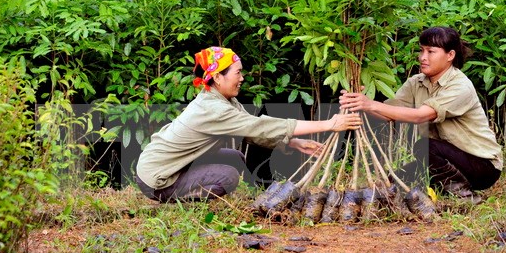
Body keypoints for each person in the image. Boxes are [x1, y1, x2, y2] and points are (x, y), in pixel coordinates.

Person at [136, 46, 362, 202]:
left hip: (164, 166)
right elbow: (262, 126)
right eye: (238, 72)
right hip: (159, 179)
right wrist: (330, 124)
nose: (242, 77)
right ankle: (176, 200)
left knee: (234, 158)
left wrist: (293, 143)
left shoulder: (223, 100)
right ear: (217, 78)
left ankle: (189, 189)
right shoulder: (214, 109)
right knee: (228, 176)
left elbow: (253, 132)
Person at [340, 27, 502, 204]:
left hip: (483, 166)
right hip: (444, 159)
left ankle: (464, 197)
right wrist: (359, 102)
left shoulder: (460, 86)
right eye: (421, 50)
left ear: (450, 55)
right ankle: (443, 190)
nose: (423, 57)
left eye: (431, 51)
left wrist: (370, 104)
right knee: (394, 181)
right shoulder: (415, 83)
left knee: (424, 147)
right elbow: (388, 114)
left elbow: (420, 116)